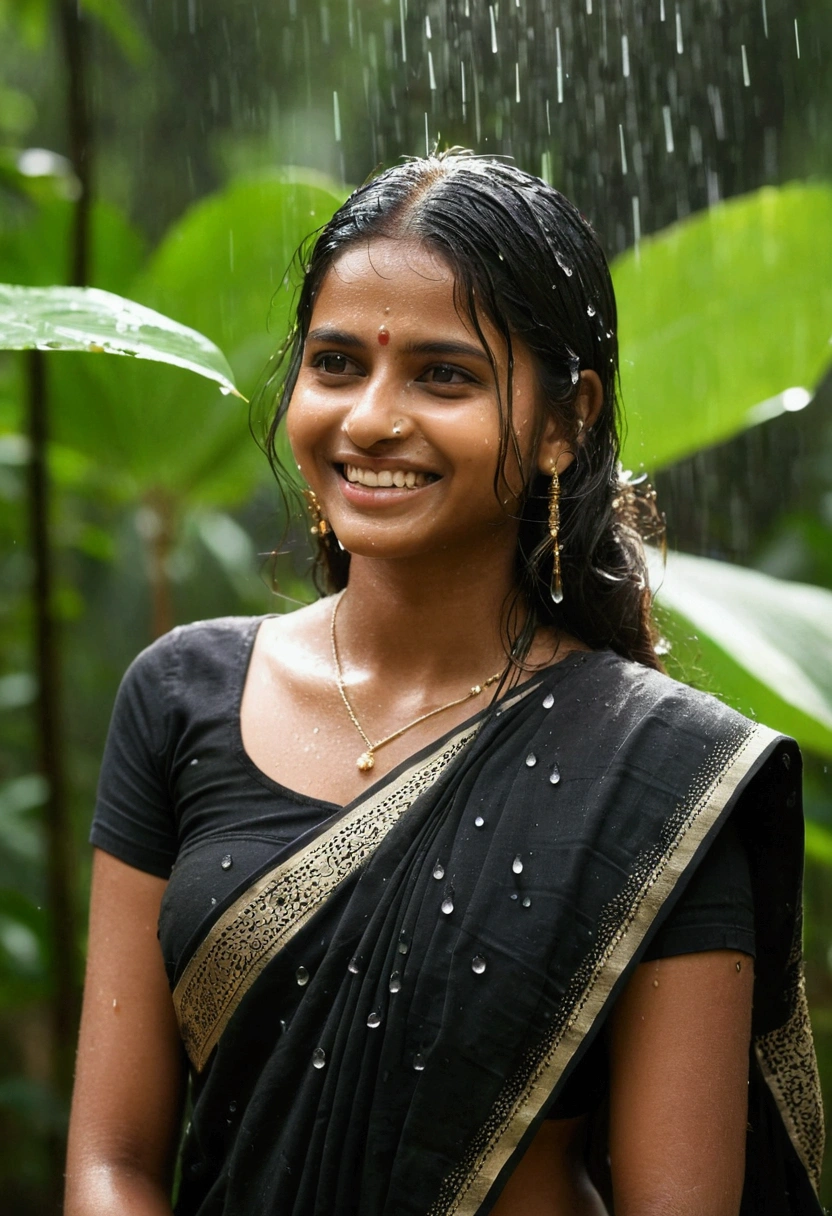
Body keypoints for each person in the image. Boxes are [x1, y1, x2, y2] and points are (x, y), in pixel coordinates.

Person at [65, 151, 823, 1216]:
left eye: (444, 375)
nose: (371, 417)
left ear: (565, 420)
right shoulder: (180, 697)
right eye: (335, 363)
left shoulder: (660, 780)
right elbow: (112, 1160)